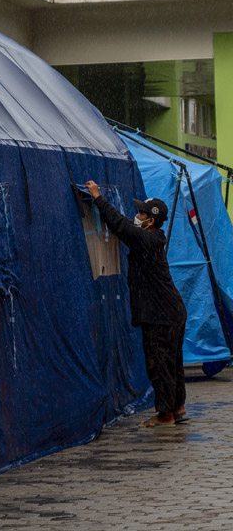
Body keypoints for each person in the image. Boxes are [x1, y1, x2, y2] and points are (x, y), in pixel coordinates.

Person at [85, 180, 187, 428]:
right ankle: (177, 407)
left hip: (160, 314)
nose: (137, 215)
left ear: (150, 221)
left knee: (159, 363)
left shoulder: (146, 240)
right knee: (172, 362)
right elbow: (127, 226)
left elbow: (119, 225)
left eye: (141, 213)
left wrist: (98, 197)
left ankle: (165, 415)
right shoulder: (153, 238)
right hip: (170, 311)